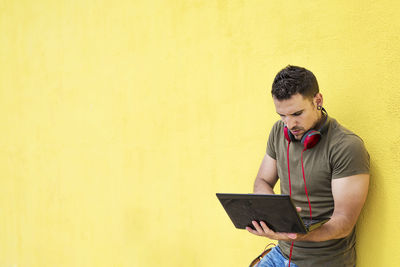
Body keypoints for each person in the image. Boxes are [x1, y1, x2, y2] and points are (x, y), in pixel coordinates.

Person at [246, 65, 370, 267]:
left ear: (317, 101)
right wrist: (274, 213)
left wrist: (295, 235)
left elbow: (344, 223)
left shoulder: (346, 146)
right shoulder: (279, 132)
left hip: (323, 261)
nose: (289, 125)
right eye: (282, 116)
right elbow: (262, 180)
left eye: (297, 113)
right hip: (281, 253)